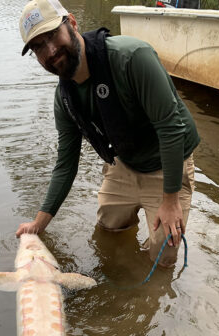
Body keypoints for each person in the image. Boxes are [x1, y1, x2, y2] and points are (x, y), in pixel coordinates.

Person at [16, 0, 200, 267]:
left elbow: (170, 128)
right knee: (108, 237)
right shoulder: (64, 99)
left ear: (72, 23)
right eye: (38, 46)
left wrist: (170, 201)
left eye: (53, 35)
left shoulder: (132, 57)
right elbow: (66, 164)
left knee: (164, 257)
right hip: (124, 162)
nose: (51, 50)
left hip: (168, 162)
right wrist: (38, 223)